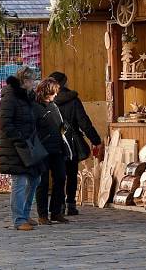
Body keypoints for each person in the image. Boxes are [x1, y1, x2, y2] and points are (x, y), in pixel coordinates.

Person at [49, 71, 103, 216]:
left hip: (54, 141)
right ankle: (70, 205)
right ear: (65, 83)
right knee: (71, 173)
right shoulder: (73, 100)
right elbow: (84, 123)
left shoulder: (48, 100)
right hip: (71, 142)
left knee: (57, 175)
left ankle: (58, 206)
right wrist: (96, 140)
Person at [0, 67, 44, 231]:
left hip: (29, 144)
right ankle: (18, 219)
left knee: (35, 178)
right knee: (19, 181)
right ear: (24, 81)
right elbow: (5, 123)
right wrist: (19, 139)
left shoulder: (27, 97)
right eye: (32, 80)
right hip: (16, 147)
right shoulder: (10, 97)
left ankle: (24, 213)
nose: (34, 83)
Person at [33, 78, 71, 224]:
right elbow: (33, 128)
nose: (56, 94)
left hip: (57, 147)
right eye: (54, 92)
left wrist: (64, 129)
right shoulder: (35, 107)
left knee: (61, 178)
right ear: (47, 91)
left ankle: (56, 211)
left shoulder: (54, 106)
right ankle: (42, 215)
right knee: (42, 182)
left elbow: (60, 124)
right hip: (42, 149)